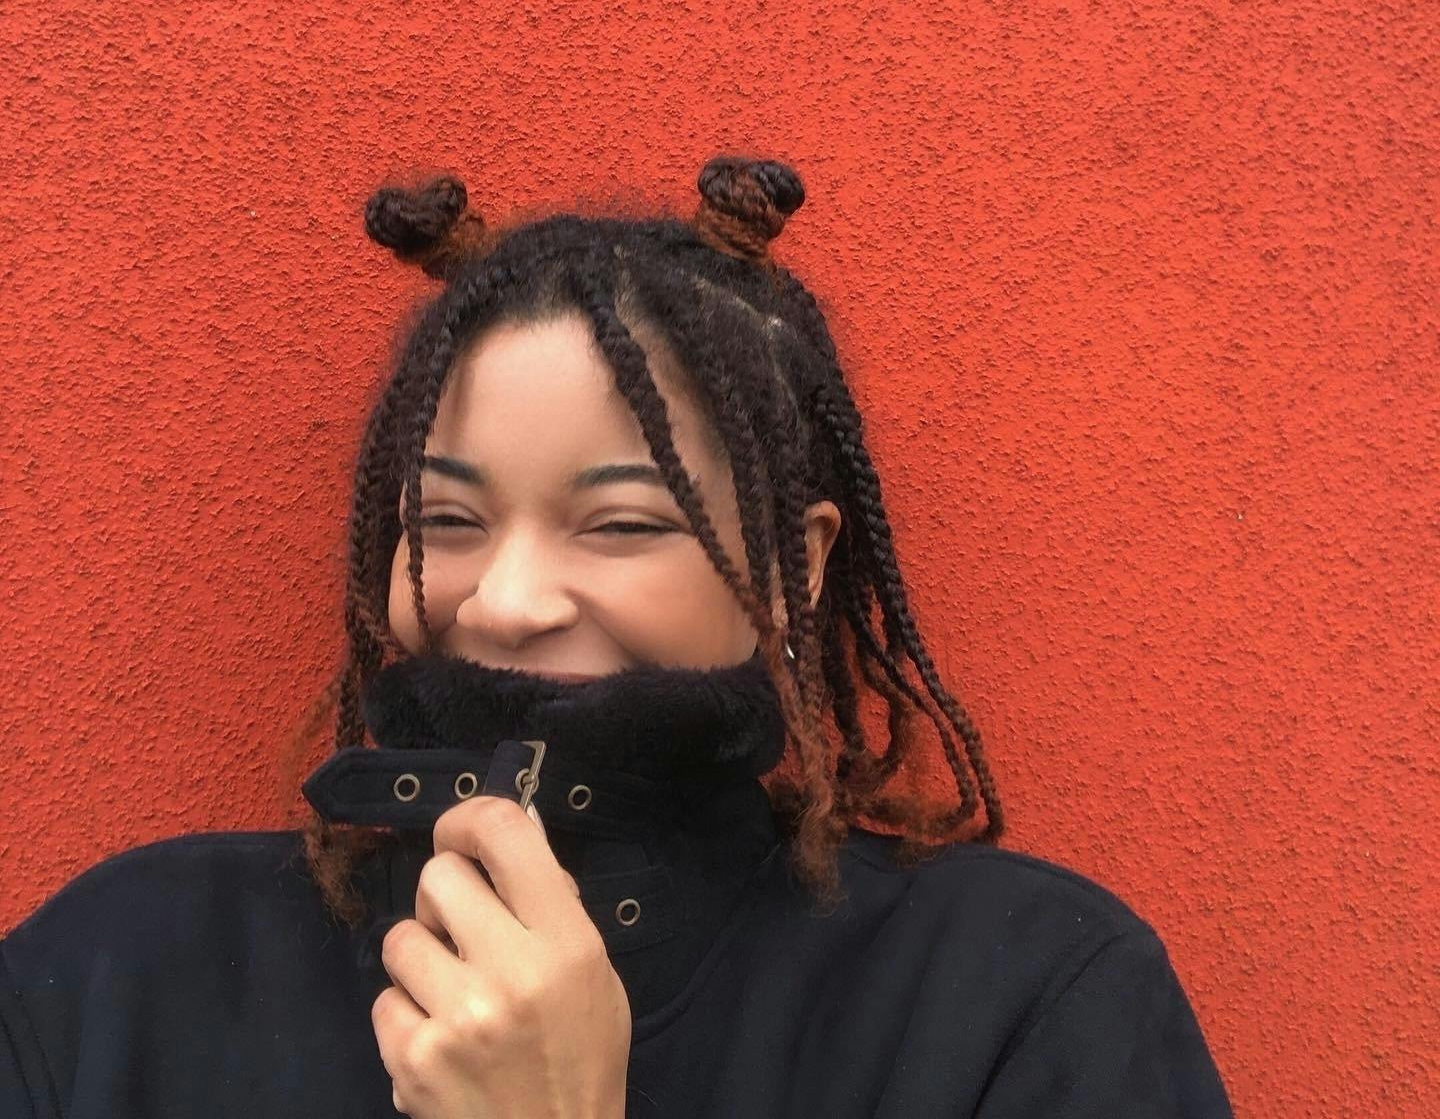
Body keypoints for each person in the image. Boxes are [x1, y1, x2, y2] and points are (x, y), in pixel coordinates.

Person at [0, 157, 1236, 1118]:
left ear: (794, 567)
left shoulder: (1022, 999)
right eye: (446, 519)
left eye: (622, 523)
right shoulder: (119, 971)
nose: (505, 601)